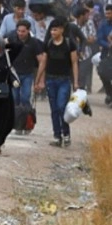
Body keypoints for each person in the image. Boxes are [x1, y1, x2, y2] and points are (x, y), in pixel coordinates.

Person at [36, 18, 79, 147]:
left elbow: (74, 63)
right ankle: (57, 136)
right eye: (51, 30)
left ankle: (66, 134)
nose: (53, 32)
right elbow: (43, 62)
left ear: (61, 30)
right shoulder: (48, 44)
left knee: (62, 107)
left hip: (64, 80)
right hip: (50, 80)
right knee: (54, 109)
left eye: (55, 29)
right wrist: (38, 80)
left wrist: (76, 81)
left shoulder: (69, 43)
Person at [8, 19, 43, 129]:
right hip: (14, 74)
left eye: (23, 31)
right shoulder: (11, 39)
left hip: (28, 74)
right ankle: (14, 122)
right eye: (18, 31)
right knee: (14, 98)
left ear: (28, 31)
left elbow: (41, 60)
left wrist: (40, 80)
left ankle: (27, 122)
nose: (20, 34)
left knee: (25, 97)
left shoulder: (34, 43)